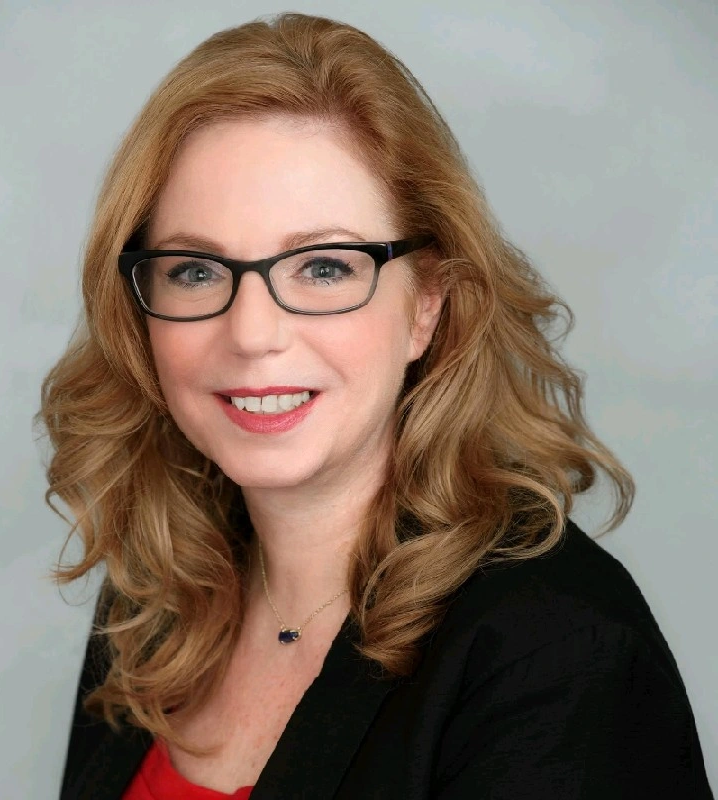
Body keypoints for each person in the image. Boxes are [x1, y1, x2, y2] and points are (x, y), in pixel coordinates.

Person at [39, 12, 713, 800]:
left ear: (429, 301)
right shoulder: (156, 598)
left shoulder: (557, 651)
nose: (253, 333)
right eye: (194, 271)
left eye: (324, 268)